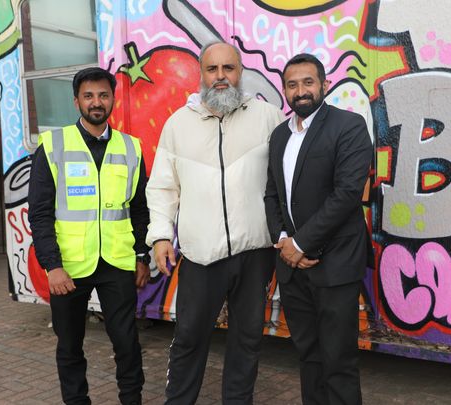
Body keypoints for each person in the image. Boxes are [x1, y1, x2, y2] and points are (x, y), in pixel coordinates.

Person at [146, 41, 285, 404]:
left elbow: (287, 182)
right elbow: (162, 187)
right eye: (212, 69)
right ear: (201, 75)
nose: (221, 76)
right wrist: (161, 236)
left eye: (228, 68)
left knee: (247, 340)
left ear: (240, 72)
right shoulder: (178, 124)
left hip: (255, 254)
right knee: (190, 337)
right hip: (200, 256)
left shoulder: (268, 117)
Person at [28, 67, 150, 405]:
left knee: (126, 342)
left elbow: (140, 210)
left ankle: (132, 400)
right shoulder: (53, 145)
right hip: (68, 267)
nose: (97, 102)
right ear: (76, 101)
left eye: (103, 95)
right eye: (89, 96)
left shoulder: (131, 148)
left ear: (113, 99)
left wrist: (142, 256)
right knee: (69, 345)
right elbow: (39, 214)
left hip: (117, 262)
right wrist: (52, 265)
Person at [264, 54, 373, 404]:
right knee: (308, 356)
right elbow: (272, 194)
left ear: (324, 85)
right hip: (293, 267)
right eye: (292, 85)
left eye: (308, 82)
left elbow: (346, 195)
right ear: (285, 90)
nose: (301, 91)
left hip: (335, 264)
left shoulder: (349, 126)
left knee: (338, 362)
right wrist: (283, 241)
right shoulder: (280, 135)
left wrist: (302, 243)